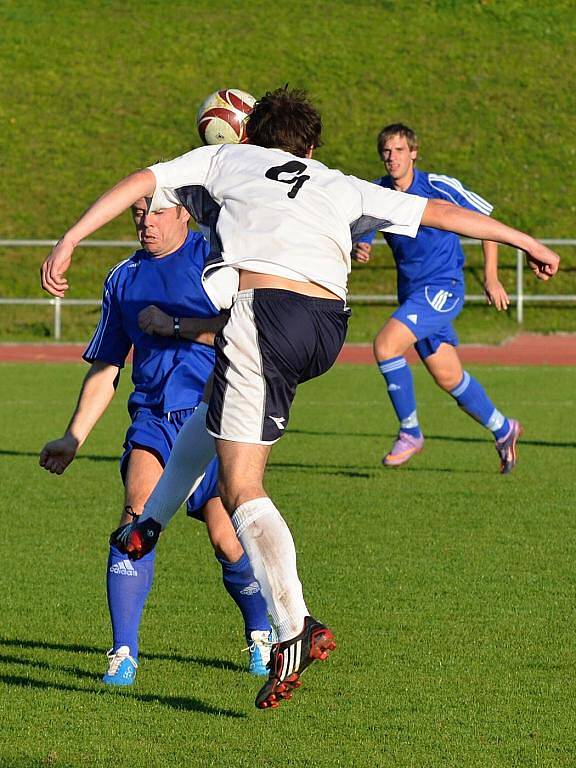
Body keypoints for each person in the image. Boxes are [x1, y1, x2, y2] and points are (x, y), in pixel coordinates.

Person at [40, 88, 559, 709]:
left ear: (248, 134)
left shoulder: (224, 162)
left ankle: (294, 628)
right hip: (324, 330)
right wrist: (529, 242)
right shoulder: (338, 183)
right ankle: (148, 526)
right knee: (222, 406)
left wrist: (69, 239)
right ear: (310, 146)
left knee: (241, 487)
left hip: (264, 313)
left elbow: (138, 182)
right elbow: (441, 214)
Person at [39, 198, 273, 685]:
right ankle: (123, 651)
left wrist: (178, 328)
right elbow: (107, 367)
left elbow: (247, 329)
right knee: (136, 515)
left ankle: (259, 632)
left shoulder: (214, 260)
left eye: (158, 211)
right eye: (139, 212)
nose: (146, 220)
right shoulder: (121, 278)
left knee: (227, 540)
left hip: (216, 418)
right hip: (153, 419)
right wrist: (72, 436)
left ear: (185, 213)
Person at [353, 123, 527, 472]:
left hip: (443, 287)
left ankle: (410, 432)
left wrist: (491, 278)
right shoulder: (378, 192)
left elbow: (485, 222)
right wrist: (362, 245)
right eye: (386, 151)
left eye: (399, 150)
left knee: (386, 346)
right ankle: (503, 428)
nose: (392, 158)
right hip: (412, 294)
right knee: (449, 376)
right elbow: (361, 227)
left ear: (414, 153)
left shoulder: (437, 186)